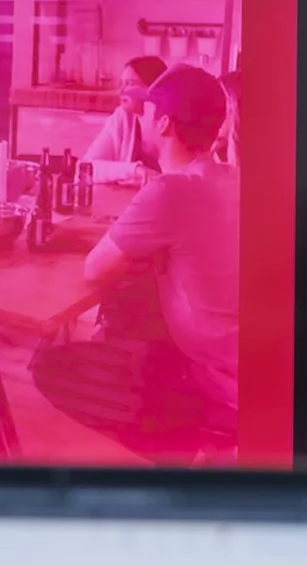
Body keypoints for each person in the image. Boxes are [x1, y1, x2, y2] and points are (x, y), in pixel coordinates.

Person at [34, 63, 241, 456]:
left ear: (163, 124)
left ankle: (182, 446)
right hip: (248, 353)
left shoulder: (172, 190)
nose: (139, 116)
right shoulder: (232, 178)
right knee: (136, 309)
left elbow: (95, 270)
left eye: (146, 110)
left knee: (51, 367)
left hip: (218, 372)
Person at [84, 55, 169, 171]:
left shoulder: (170, 123)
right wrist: (134, 170)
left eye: (130, 84)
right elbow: (86, 167)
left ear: (153, 88)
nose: (121, 91)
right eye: (122, 83)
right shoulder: (122, 117)